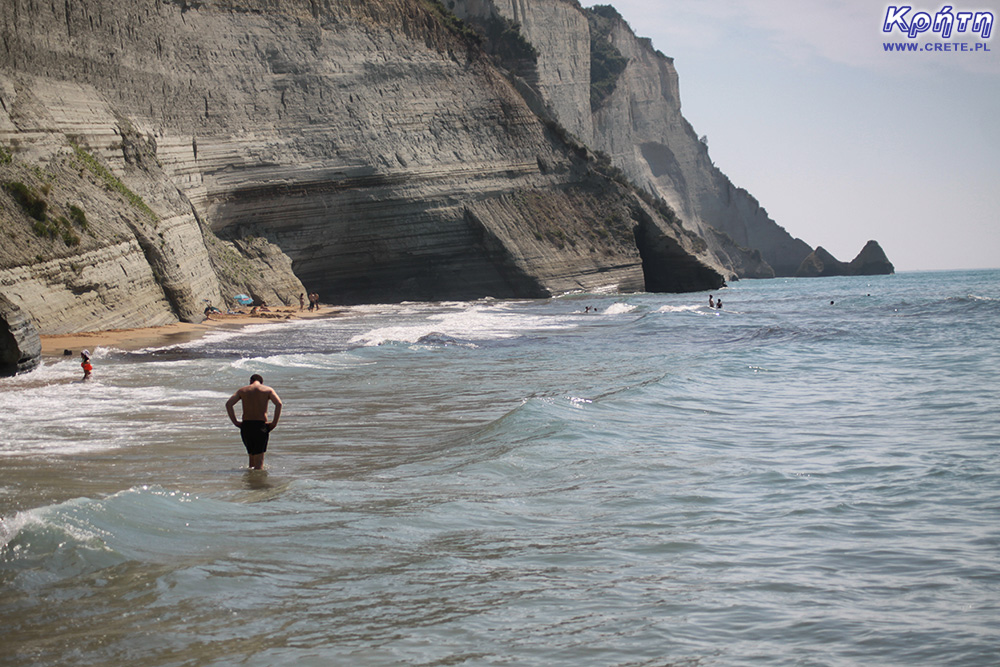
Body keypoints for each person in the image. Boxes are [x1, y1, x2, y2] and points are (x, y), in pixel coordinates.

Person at [226, 374, 283, 470]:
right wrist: (274, 423)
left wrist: (235, 422)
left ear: (250, 381)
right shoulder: (267, 390)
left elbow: (228, 404)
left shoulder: (243, 390)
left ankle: (250, 482)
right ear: (261, 382)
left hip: (246, 426)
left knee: (251, 458)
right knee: (259, 462)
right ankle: (257, 484)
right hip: (260, 426)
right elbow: (279, 404)